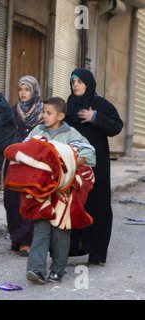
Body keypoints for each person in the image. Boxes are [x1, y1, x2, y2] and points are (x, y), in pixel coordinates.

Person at [20, 97, 96, 284]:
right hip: (42, 192)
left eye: (49, 113)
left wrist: (69, 163)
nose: (44, 116)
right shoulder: (38, 131)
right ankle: (36, 269)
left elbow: (89, 152)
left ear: (60, 116)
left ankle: (57, 269)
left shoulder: (71, 134)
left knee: (61, 230)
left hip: (64, 193)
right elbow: (24, 149)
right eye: (43, 112)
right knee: (41, 229)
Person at [66, 68, 123, 265]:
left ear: (88, 83)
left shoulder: (100, 104)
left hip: (97, 167)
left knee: (97, 206)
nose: (76, 85)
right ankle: (71, 249)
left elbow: (117, 126)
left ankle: (97, 253)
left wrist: (95, 117)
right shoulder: (69, 105)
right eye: (73, 82)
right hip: (73, 166)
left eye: (80, 82)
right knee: (73, 204)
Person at [0, 75, 44, 256]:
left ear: (34, 91)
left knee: (29, 201)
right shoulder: (11, 112)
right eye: (20, 89)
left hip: (34, 165)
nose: (23, 93)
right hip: (13, 164)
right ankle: (16, 238)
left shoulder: (43, 114)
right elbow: (2, 137)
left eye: (27, 89)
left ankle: (26, 242)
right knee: (12, 202)